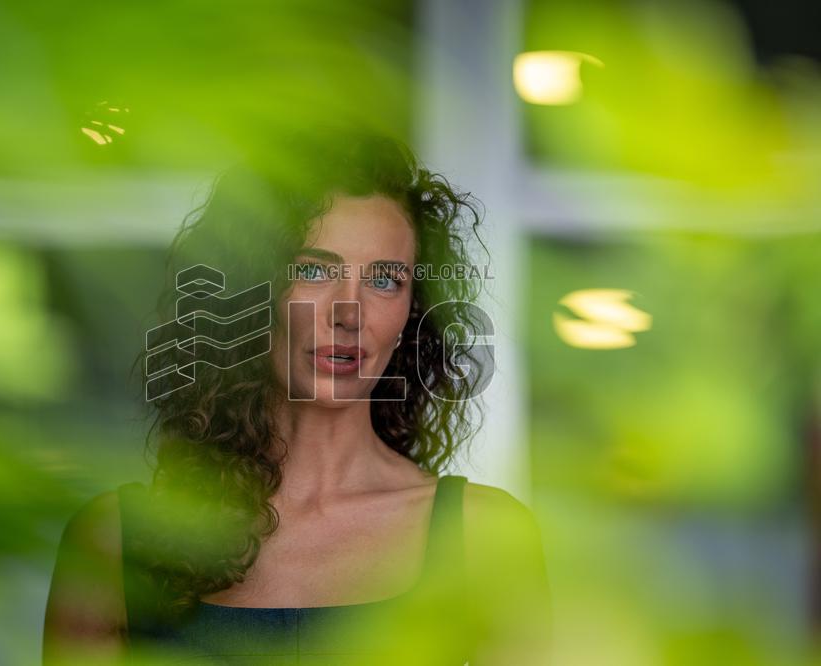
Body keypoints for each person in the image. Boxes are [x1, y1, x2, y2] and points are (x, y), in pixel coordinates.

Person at [42, 128, 551, 665]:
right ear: (247, 291)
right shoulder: (113, 542)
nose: (349, 314)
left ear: (411, 312)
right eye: (313, 271)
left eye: (384, 280)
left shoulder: (484, 537)